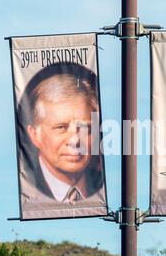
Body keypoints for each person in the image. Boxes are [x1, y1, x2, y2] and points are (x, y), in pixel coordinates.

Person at [17, 63, 105, 205]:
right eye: (61, 127)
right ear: (35, 135)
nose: (75, 140)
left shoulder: (106, 184)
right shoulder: (29, 188)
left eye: (85, 128)